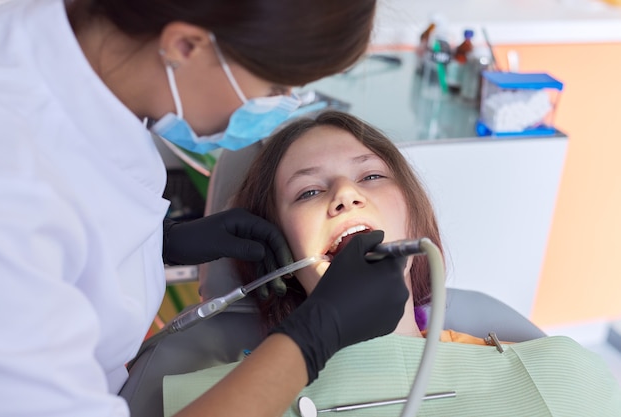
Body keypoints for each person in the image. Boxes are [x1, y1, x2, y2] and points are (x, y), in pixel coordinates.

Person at [0, 1, 409, 417]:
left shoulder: (78, 72)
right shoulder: (13, 189)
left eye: (372, 176)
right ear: (185, 46)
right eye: (274, 89)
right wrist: (312, 339)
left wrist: (157, 244)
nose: (347, 196)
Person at [162, 111, 621, 417]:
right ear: (276, 249)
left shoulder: (555, 372)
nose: (345, 194)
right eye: (308, 191)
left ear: (413, 216)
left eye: (371, 176)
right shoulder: (221, 396)